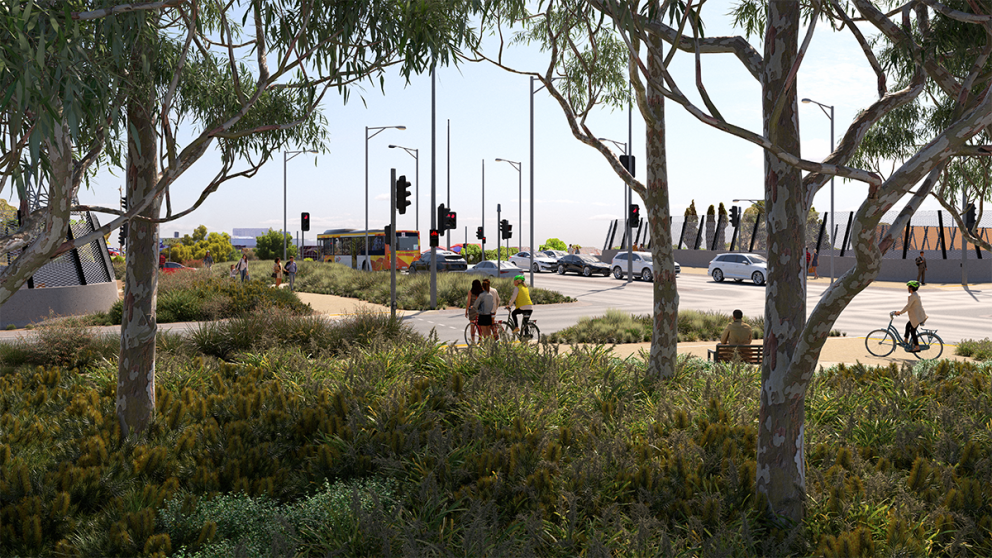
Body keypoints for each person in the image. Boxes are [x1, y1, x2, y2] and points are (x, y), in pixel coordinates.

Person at [894, 280, 927, 352]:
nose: (907, 288)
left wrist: (900, 312)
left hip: (918, 317)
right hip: (917, 316)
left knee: (912, 331)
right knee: (907, 325)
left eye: (908, 287)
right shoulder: (914, 295)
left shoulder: (914, 296)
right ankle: (905, 341)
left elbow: (908, 306)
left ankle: (917, 347)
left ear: (911, 288)